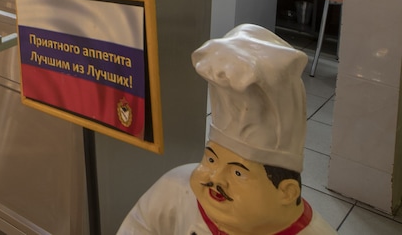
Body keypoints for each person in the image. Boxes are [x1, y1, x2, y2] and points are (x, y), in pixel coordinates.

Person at [117, 24, 335, 234]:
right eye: (211, 159)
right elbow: (139, 224)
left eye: (238, 173)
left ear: (287, 192)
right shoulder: (176, 190)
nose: (215, 178)